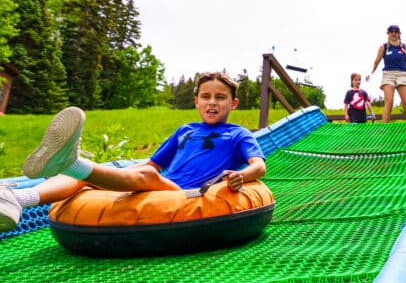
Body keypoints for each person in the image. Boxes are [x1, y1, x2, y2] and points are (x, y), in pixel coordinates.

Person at [0, 72, 267, 232]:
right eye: (205, 96)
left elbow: (259, 165)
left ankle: (71, 162)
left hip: (188, 194)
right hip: (159, 186)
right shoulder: (185, 130)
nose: (212, 102)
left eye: (220, 97)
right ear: (196, 100)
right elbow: (153, 163)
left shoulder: (238, 134)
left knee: (148, 177)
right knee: (96, 177)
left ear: (233, 103)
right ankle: (18, 198)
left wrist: (242, 175)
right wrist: (111, 175)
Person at [367, 24, 406, 123]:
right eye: (391, 31)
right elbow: (376, 63)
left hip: (402, 75)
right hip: (388, 75)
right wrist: (370, 73)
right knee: (389, 101)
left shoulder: (405, 48)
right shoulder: (384, 47)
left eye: (396, 31)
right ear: (388, 34)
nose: (393, 33)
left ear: (399, 34)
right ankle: (384, 129)